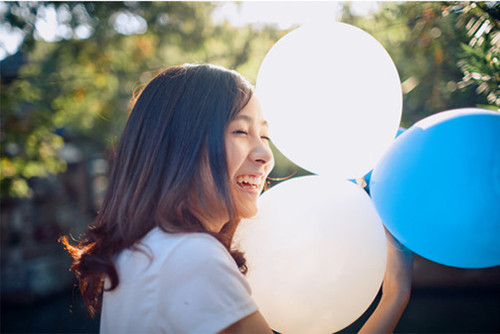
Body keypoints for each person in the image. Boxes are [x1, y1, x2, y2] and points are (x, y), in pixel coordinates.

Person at [62, 63, 413, 334]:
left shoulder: (142, 251)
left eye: (266, 136)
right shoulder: (191, 258)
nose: (265, 156)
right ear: (183, 144)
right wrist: (394, 296)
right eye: (241, 131)